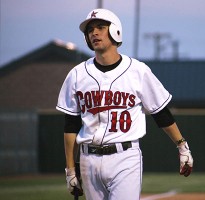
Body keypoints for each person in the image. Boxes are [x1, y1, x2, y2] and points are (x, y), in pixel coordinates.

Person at [56, 8, 193, 200]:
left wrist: (182, 146)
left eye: (101, 27)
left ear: (115, 31)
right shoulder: (77, 74)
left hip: (125, 157)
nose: (94, 33)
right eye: (90, 30)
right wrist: (70, 170)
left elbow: (160, 113)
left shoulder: (137, 71)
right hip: (88, 160)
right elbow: (71, 125)